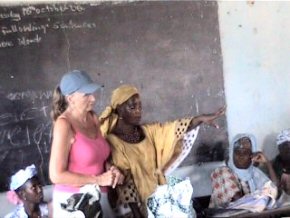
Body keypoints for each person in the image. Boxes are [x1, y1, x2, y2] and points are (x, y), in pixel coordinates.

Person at [99, 84, 225, 217]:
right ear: (119, 109)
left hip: (159, 197)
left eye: (140, 106)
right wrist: (139, 214)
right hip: (134, 207)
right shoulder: (114, 141)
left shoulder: (148, 131)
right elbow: (126, 183)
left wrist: (200, 119)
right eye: (132, 107)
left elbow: (172, 129)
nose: (138, 111)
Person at [49, 70, 124, 218]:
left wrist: (112, 170)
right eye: (86, 95)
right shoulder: (64, 124)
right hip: (75, 205)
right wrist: (98, 179)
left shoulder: (93, 117)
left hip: (99, 197)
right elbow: (56, 175)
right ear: (71, 99)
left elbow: (98, 158)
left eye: (93, 93)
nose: (93, 98)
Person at [209, 133, 278, 208]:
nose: (240, 156)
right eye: (237, 151)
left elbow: (275, 190)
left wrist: (267, 163)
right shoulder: (221, 172)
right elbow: (240, 202)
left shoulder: (255, 173)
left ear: (252, 155)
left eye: (245, 152)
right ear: (232, 153)